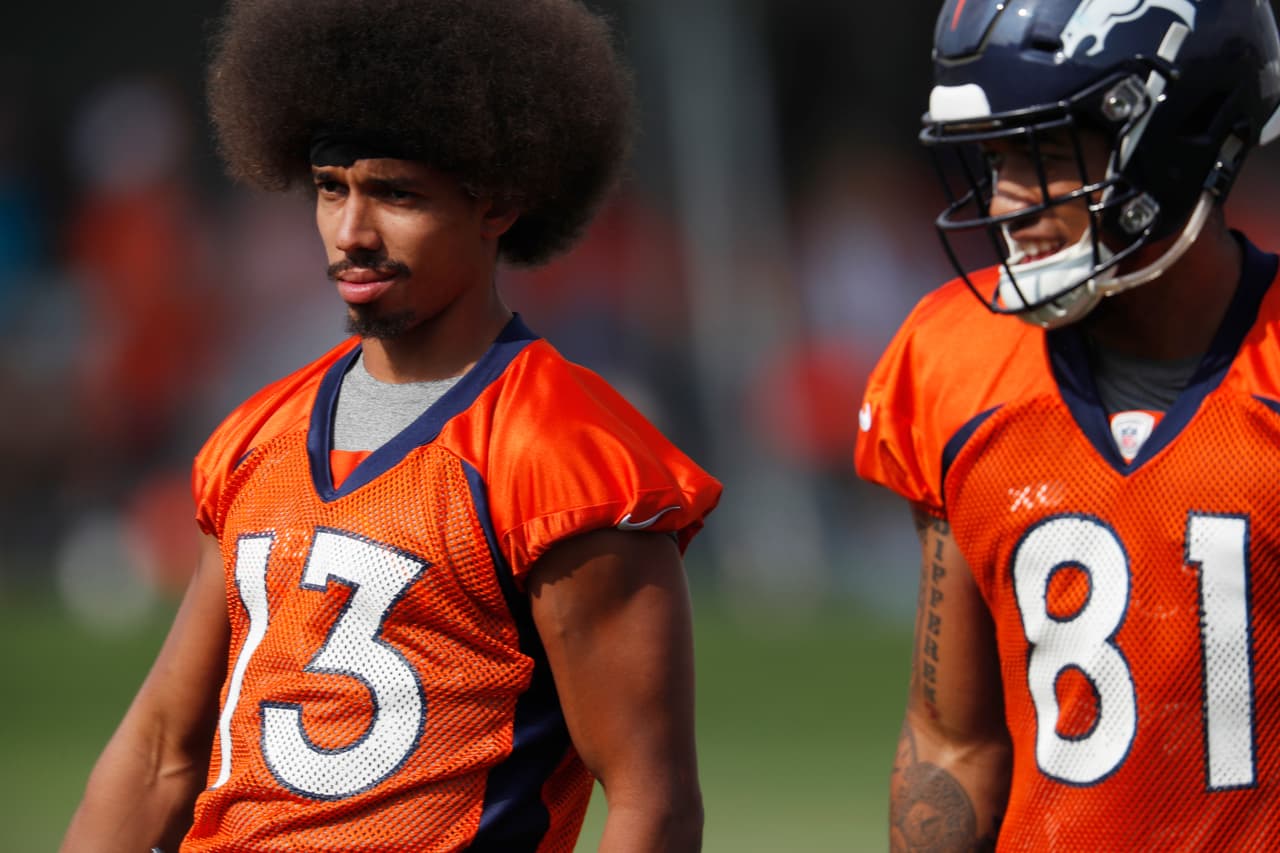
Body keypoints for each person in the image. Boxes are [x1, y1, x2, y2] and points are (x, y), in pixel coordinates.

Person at [60, 1, 721, 850]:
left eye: (396, 194)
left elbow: (650, 800)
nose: (351, 232)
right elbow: (158, 750)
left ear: (499, 203)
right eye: (331, 189)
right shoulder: (259, 434)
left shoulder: (564, 452)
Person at [856, 1, 1280, 849]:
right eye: (997, 155)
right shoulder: (955, 362)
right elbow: (952, 740)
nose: (1008, 200)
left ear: (1176, 137)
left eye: (1046, 153)